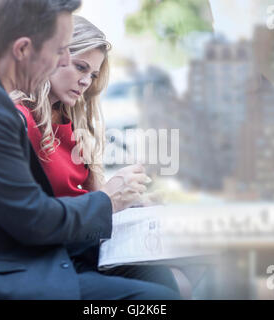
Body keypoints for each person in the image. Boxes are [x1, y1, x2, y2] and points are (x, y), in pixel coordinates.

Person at [0, 0, 179, 300]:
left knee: (160, 281)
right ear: (22, 49)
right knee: (153, 300)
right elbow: (33, 220)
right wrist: (108, 200)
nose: (61, 62)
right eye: (60, 51)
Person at [12, 15, 181, 295]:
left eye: (92, 75)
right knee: (159, 296)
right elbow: (29, 213)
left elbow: (78, 198)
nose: (86, 82)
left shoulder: (70, 121)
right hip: (46, 262)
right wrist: (107, 200)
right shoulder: (19, 120)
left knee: (165, 277)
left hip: (81, 249)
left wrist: (128, 203)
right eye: (81, 68)